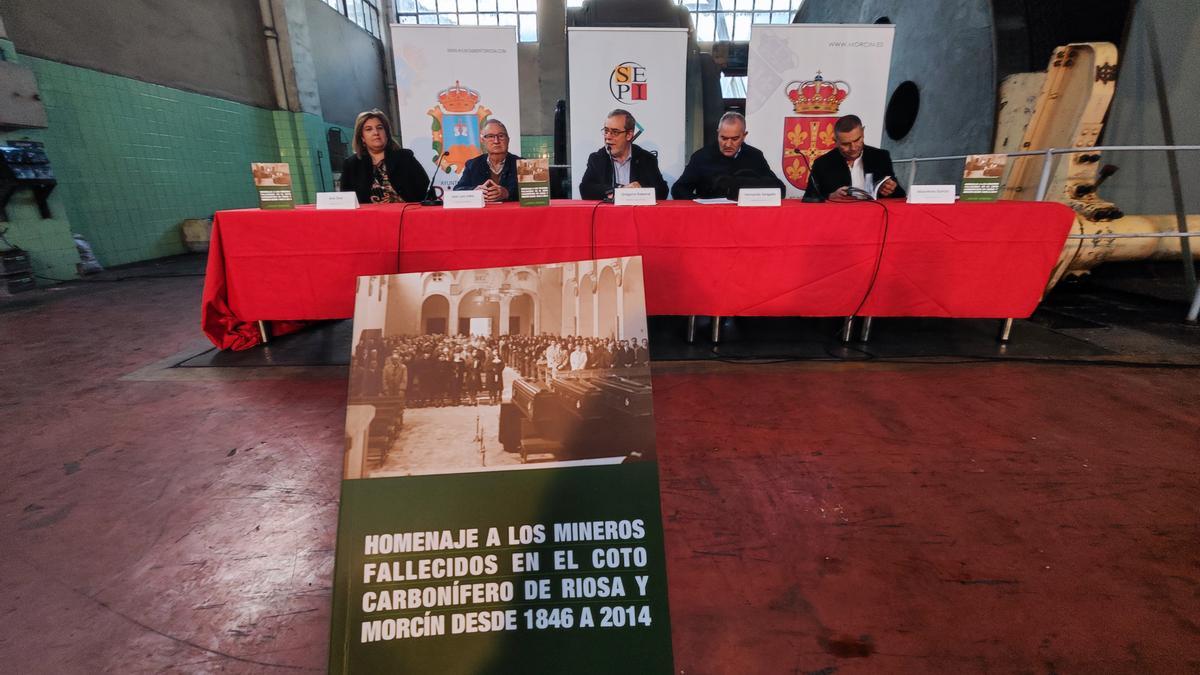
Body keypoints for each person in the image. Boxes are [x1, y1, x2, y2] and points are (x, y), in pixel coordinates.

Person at [671, 112, 784, 200]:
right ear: (718, 133)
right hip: (711, 218)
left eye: (735, 139)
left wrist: (740, 183)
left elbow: (779, 189)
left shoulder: (755, 156)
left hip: (745, 218)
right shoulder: (701, 157)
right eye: (723, 138)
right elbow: (678, 189)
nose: (728, 144)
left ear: (744, 135)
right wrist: (700, 203)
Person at [340, 109, 430, 204]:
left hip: (405, 216)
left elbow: (427, 193)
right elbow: (346, 202)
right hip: (367, 218)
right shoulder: (351, 164)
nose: (376, 132)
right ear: (362, 138)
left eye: (379, 128)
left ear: (386, 134)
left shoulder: (405, 158)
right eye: (368, 129)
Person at [808, 114, 904, 201]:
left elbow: (901, 196)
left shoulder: (881, 157)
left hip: (874, 216)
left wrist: (891, 189)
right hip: (838, 217)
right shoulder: (822, 163)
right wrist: (830, 196)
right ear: (835, 141)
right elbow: (809, 198)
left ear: (863, 133)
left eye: (857, 140)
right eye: (845, 144)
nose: (853, 148)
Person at [579, 109, 669, 200]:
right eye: (606, 131)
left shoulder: (646, 159)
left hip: (637, 213)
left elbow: (662, 191)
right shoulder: (597, 158)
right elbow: (585, 189)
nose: (608, 137)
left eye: (615, 132)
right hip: (608, 213)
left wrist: (641, 192)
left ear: (629, 135)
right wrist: (620, 190)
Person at [454, 119, 520, 202]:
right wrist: (474, 192)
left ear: (508, 140)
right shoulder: (473, 165)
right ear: (483, 141)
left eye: (501, 136)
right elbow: (457, 190)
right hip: (481, 214)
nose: (496, 141)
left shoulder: (522, 164)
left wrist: (507, 193)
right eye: (490, 136)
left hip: (512, 214)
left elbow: (533, 194)